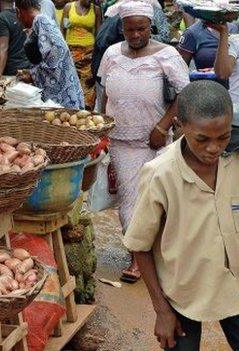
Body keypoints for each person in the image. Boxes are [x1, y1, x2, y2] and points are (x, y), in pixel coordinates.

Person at [124, 80, 239, 351]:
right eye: (202, 139)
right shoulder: (160, 174)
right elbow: (139, 246)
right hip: (181, 292)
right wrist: (162, 311)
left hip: (233, 282)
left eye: (223, 136)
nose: (214, 148)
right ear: (180, 125)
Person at [97, 1, 190, 282]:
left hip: (157, 142)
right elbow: (103, 93)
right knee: (128, 203)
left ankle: (156, 254)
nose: (135, 35)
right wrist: (100, 126)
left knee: (157, 201)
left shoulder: (168, 55)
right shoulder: (112, 53)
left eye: (141, 29)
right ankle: (137, 257)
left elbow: (185, 94)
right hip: (121, 140)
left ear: (151, 27)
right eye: (129, 29)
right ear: (121, 28)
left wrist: (162, 127)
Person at [15, 0, 85, 109]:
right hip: (64, 93)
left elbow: (54, 62)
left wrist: (32, 75)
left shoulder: (41, 21)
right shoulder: (41, 23)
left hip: (62, 98)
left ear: (18, 12)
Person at [61, 0, 102, 108]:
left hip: (89, 53)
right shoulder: (68, 7)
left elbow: (99, 34)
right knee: (71, 82)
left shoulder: (96, 10)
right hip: (71, 52)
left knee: (88, 84)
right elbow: (62, 30)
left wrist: (97, 55)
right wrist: (63, 50)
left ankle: (87, 112)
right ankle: (71, 110)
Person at [177, 21, 239, 87]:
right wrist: (199, 74)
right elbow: (180, 71)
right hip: (207, 89)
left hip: (235, 88)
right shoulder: (192, 32)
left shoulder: (233, 29)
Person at [0, 0, 31, 82]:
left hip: (10, 72)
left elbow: (3, 47)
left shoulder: (1, 18)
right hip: (27, 70)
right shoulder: (24, 15)